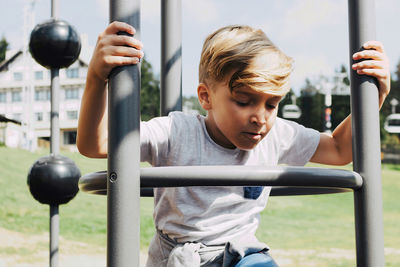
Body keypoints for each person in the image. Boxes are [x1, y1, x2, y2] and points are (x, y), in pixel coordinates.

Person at [77, 22, 390, 267]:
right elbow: (97, 144)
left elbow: (338, 149)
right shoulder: (176, 132)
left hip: (241, 256)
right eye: (244, 101)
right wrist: (96, 77)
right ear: (206, 97)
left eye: (272, 104)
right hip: (178, 257)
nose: (260, 117)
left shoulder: (277, 134)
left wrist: (373, 97)